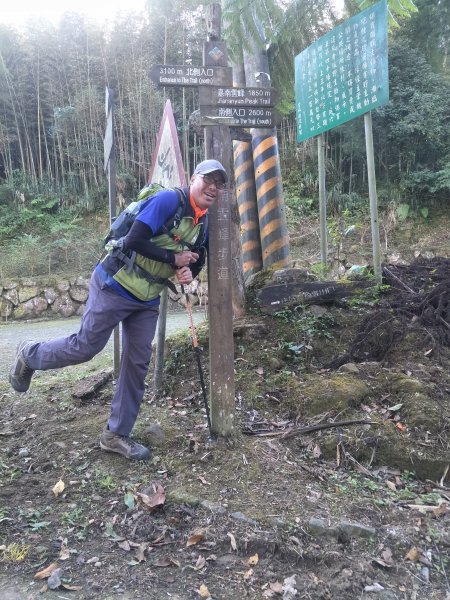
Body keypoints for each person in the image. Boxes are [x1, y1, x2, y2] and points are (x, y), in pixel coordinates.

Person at [8, 159, 228, 461]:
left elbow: (196, 261)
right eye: (208, 180)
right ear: (193, 179)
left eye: (219, 183)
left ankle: (116, 434)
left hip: (148, 298)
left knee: (137, 363)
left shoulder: (204, 225)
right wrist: (173, 258)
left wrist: (188, 271)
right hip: (115, 283)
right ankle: (29, 354)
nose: (213, 187)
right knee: (86, 347)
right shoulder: (168, 201)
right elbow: (134, 239)